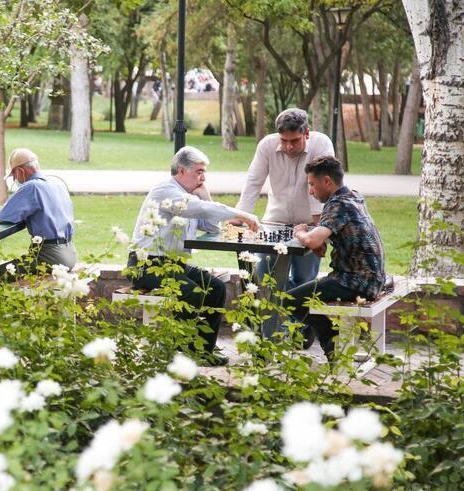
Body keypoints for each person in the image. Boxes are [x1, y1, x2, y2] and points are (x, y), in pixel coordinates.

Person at [128, 146, 259, 366]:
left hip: (174, 264)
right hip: (146, 265)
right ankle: (181, 348)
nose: (203, 177)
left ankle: (203, 351)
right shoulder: (165, 191)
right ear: (182, 170)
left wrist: (205, 195)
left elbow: (211, 227)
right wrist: (240, 214)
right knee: (191, 292)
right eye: (199, 172)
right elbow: (195, 209)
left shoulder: (188, 196)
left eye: (204, 172)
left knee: (216, 287)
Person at [234, 108, 335, 337]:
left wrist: (319, 231)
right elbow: (253, 182)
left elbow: (321, 187)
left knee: (303, 280)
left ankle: (300, 329)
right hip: (275, 222)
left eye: (295, 141)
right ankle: (284, 329)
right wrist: (242, 217)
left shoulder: (321, 144)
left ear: (306, 133)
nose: (289, 146)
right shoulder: (267, 146)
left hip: (309, 223)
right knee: (266, 275)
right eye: (284, 140)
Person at [288, 156, 385, 361]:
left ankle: (332, 344)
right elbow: (327, 239)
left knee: (290, 300)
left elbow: (313, 241)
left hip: (355, 281)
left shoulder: (337, 204)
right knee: (300, 296)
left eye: (312, 184)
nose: (310, 190)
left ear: (327, 181)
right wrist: (320, 240)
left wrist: (300, 231)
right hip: (373, 277)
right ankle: (332, 343)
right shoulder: (353, 196)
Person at [0, 148, 77, 270]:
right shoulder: (58, 184)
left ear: (20, 171)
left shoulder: (31, 187)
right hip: (70, 252)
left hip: (50, 256)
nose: (14, 179)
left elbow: (4, 216)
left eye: (13, 174)